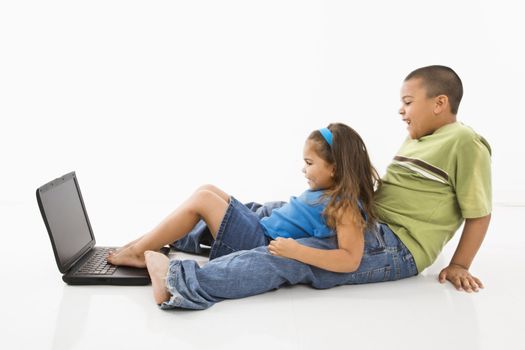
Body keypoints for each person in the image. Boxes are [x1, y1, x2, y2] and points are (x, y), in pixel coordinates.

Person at [112, 65, 492, 310]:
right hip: (374, 226)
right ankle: (182, 239)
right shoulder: (422, 138)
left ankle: (181, 284)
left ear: (440, 103)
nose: (401, 110)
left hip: (395, 247)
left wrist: (459, 264)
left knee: (290, 256)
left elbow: (479, 211)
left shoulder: (463, 141)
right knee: (269, 208)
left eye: (408, 102)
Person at [108, 122, 391, 306]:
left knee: (204, 199)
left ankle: (139, 252)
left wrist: (297, 252)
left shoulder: (345, 206)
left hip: (256, 240)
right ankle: (148, 242)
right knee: (209, 189)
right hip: (259, 227)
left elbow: (350, 259)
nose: (303, 170)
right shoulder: (331, 193)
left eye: (309, 163)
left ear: (335, 168)